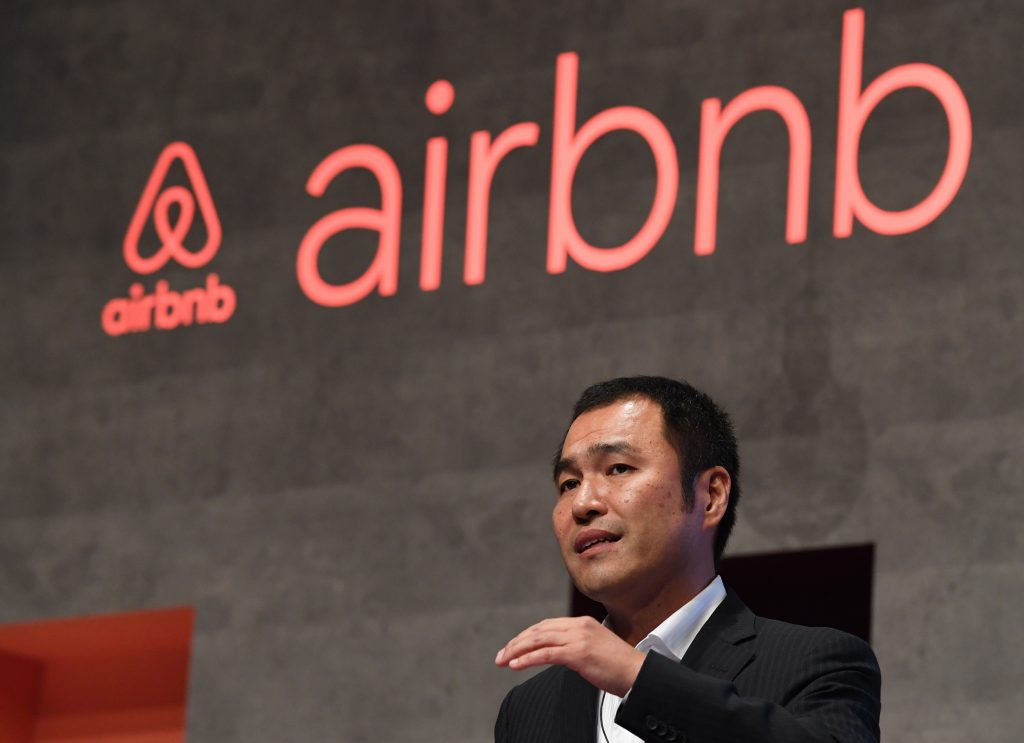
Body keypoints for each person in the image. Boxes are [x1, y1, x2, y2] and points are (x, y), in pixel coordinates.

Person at [494, 376, 880, 742]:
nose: (582, 503)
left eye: (618, 469)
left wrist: (636, 675)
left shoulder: (817, 662)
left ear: (710, 496)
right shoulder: (529, 708)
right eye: (569, 484)